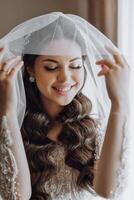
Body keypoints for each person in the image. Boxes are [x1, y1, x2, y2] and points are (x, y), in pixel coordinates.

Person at [0, 12, 130, 200]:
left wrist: (121, 104)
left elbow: (110, 191)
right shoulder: (13, 128)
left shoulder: (96, 130)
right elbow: (16, 195)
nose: (66, 78)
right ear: (30, 70)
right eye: (51, 67)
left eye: (75, 66)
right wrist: (8, 113)